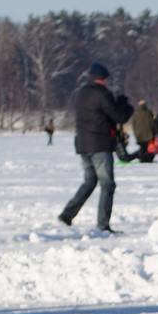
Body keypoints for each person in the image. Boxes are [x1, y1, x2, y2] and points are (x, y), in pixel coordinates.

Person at [58, 62, 128, 232]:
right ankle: (103, 224)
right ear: (102, 79)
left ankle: (67, 214)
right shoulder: (103, 94)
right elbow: (118, 117)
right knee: (107, 184)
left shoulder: (81, 93)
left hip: (83, 144)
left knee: (89, 181)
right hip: (100, 144)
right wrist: (125, 106)